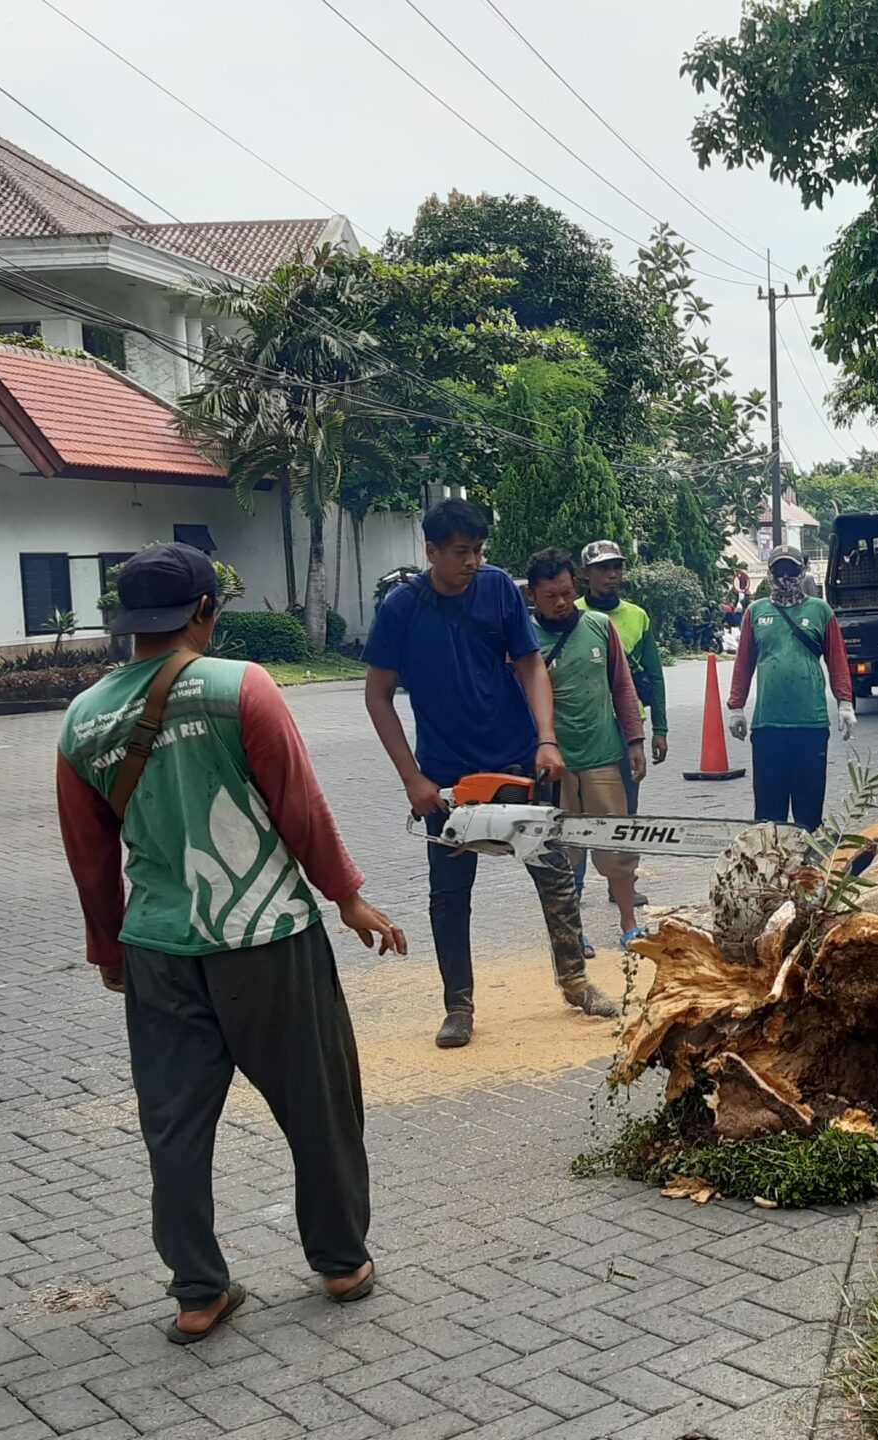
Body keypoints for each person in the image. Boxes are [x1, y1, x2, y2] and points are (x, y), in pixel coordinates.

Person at [55, 542, 406, 1345]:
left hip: (158, 949)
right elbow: (299, 807)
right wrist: (347, 898)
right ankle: (342, 1260)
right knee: (317, 1105)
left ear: (128, 622)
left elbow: (89, 856)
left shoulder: (83, 719)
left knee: (174, 1126)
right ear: (206, 611)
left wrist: (110, 952)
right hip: (265, 938)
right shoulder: (240, 687)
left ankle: (197, 1292)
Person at [363, 498, 620, 1051]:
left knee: (554, 875)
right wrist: (412, 779)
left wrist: (546, 739)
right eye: (461, 553)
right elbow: (378, 696)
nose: (473, 562)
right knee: (449, 896)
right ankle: (458, 1005)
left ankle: (576, 983)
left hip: (516, 760)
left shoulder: (500, 586)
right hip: (446, 778)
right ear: (430, 551)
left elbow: (529, 663)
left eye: (479, 551)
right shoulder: (400, 610)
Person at [523, 548, 649, 949]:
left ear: (574, 585)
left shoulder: (599, 626)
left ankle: (630, 923)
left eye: (564, 592)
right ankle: (573, 931)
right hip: (554, 766)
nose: (560, 603)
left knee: (618, 845)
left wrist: (635, 740)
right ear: (533, 597)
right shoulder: (525, 641)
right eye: (549, 596)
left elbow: (623, 687)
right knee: (563, 852)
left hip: (603, 756)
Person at [728, 544, 855, 829]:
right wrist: (736, 707)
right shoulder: (756, 612)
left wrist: (845, 704)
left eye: (792, 569)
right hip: (768, 726)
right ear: (771, 573)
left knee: (808, 815)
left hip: (810, 725)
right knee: (768, 819)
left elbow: (837, 661)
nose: (786, 576)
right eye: (779, 570)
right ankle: (771, 871)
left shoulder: (821, 611)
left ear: (803, 570)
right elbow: (744, 662)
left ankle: (807, 871)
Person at [575, 538, 665, 913]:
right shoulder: (570, 611)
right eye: (602, 568)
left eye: (617, 567)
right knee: (578, 815)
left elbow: (654, 676)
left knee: (625, 812)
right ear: (585, 575)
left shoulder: (637, 616)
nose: (612, 575)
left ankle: (622, 885)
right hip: (583, 733)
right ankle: (573, 889)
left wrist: (659, 728)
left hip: (626, 732)